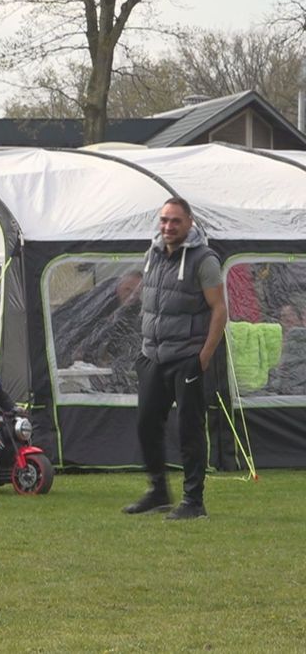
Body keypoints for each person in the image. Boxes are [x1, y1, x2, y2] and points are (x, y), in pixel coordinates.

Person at [124, 197, 227, 520]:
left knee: (189, 430)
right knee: (146, 424)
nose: (168, 227)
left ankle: (193, 501)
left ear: (190, 222)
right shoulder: (152, 254)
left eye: (175, 221)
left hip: (187, 357)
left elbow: (220, 310)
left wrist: (204, 356)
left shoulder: (203, 260)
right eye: (164, 220)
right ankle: (158, 492)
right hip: (152, 355)